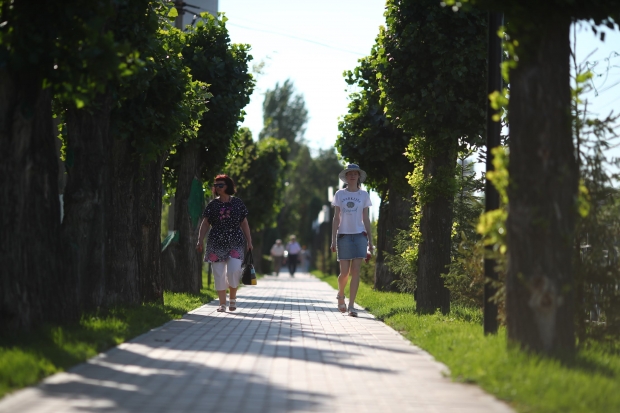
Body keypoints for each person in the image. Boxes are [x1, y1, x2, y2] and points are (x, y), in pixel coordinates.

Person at [196, 174, 252, 312]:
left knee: (234, 271)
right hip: (216, 242)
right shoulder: (212, 204)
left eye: (220, 185)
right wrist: (200, 240)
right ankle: (222, 304)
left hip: (235, 241)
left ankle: (232, 300)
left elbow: (244, 222)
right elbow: (205, 223)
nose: (217, 188)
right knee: (219, 273)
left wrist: (249, 241)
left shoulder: (237, 203)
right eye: (216, 185)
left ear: (228, 186)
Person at [331, 164, 374, 317]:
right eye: (350, 174)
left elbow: (366, 218)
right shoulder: (339, 194)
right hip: (343, 236)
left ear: (358, 177)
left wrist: (370, 241)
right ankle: (341, 294)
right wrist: (333, 240)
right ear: (346, 177)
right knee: (344, 273)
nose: (352, 176)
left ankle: (351, 306)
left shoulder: (364, 195)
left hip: (359, 235)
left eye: (355, 174)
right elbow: (336, 218)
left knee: (356, 271)